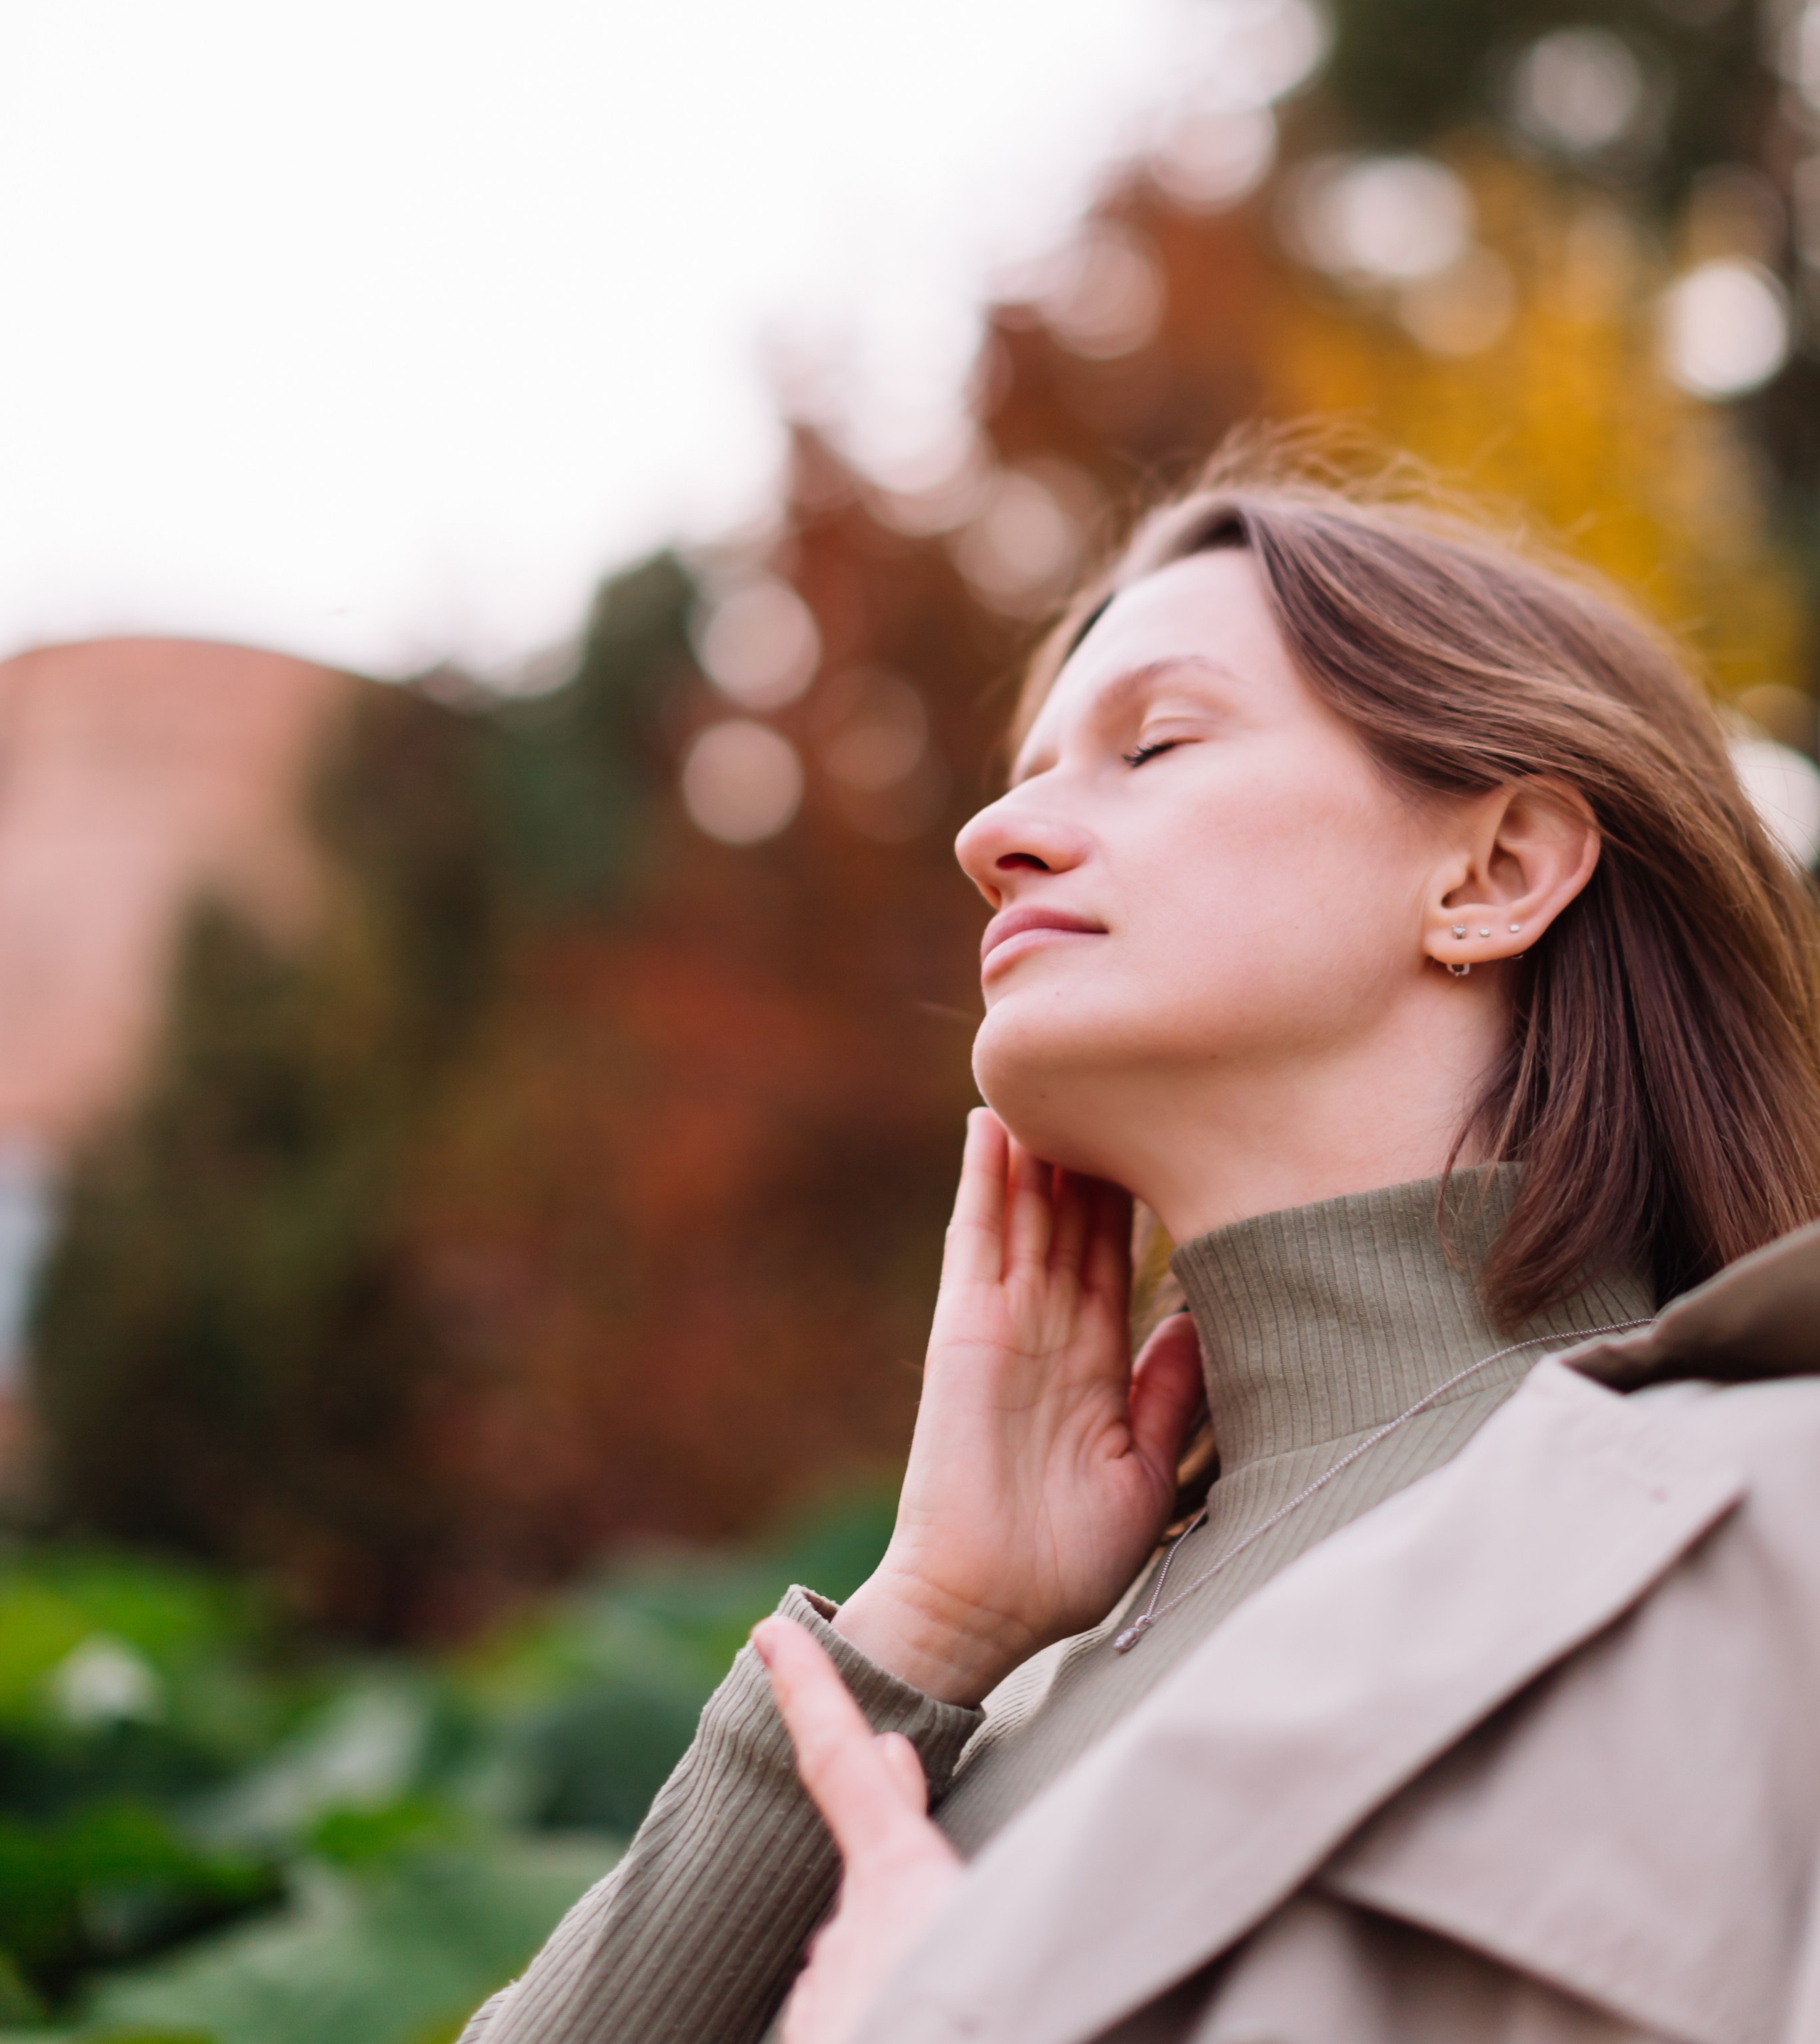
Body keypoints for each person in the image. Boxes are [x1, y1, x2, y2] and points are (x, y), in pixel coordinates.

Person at [461, 444, 1820, 2044]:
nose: (991, 833)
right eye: (1026, 767)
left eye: (1153, 742)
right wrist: (934, 1621)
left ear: (1494, 870)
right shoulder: (997, 1692)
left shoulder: (1755, 1521)